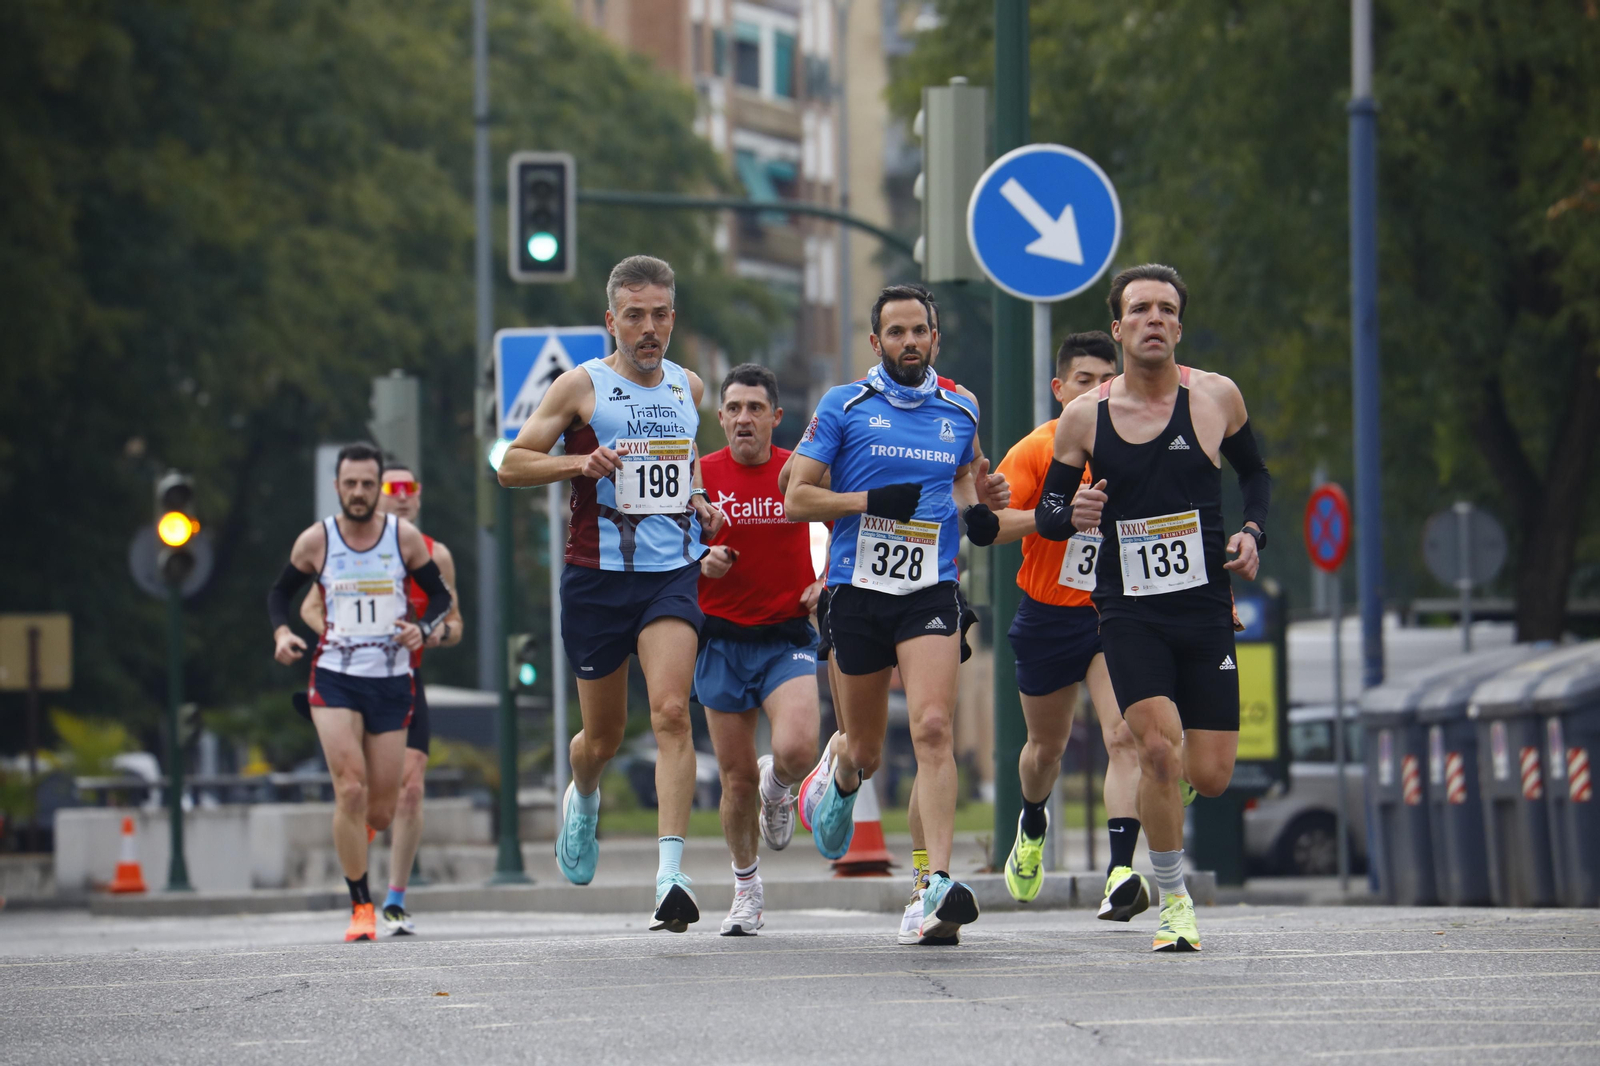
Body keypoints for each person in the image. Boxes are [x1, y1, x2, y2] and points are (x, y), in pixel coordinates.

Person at [1035, 264, 1270, 953]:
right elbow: (1050, 512)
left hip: (1204, 608)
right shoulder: (1085, 416)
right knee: (1158, 749)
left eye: (1167, 309)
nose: (1155, 319)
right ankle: (1175, 902)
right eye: (1140, 309)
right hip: (1128, 610)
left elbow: (1256, 475)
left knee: (1211, 776)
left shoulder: (1216, 397)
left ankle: (1168, 794)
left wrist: (1253, 533)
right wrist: (1072, 512)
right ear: (1118, 327)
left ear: (1179, 326)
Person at [497, 255, 724, 933]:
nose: (648, 328)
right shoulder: (579, 386)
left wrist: (700, 503)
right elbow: (511, 464)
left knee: (672, 713)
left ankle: (671, 875)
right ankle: (585, 796)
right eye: (634, 316)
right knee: (602, 737)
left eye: (659, 315)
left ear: (673, 318)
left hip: (670, 575)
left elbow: (682, 467)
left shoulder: (689, 387)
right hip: (596, 580)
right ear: (611, 321)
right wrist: (579, 460)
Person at [786, 284, 1007, 946]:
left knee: (934, 728)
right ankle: (839, 768)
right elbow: (797, 498)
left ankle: (932, 886)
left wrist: (978, 508)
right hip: (857, 591)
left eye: (920, 331)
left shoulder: (961, 407)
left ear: (935, 338)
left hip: (931, 586)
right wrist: (867, 502)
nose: (910, 342)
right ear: (876, 341)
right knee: (867, 751)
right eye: (897, 332)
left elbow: (964, 476)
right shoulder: (844, 405)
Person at [986, 332, 1151, 921]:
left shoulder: (1140, 442)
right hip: (1048, 615)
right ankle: (1032, 823)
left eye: (1108, 381)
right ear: (1059, 389)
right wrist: (1052, 516)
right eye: (1085, 381)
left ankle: (1121, 872)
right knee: (1045, 750)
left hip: (1115, 612)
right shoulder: (1039, 448)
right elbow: (989, 523)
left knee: (1123, 735)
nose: (1098, 392)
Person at [267, 443, 453, 942]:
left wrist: (422, 628)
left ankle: (363, 846)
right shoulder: (318, 540)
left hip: (391, 679)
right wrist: (282, 634)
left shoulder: (403, 539)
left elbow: (441, 596)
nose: (359, 492)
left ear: (377, 488)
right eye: (350, 483)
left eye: (368, 484)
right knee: (349, 788)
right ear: (337, 486)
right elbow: (280, 593)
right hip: (334, 675)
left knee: (382, 810)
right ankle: (362, 906)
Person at [695, 363, 825, 935]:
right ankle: (746, 890)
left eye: (755, 408)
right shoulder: (698, 475)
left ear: (776, 417)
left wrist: (826, 580)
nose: (743, 418)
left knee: (796, 750)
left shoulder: (800, 471)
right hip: (721, 639)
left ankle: (781, 788)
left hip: (784, 635)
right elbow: (663, 546)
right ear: (720, 417)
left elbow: (844, 528)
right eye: (734, 408)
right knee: (735, 779)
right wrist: (701, 561)